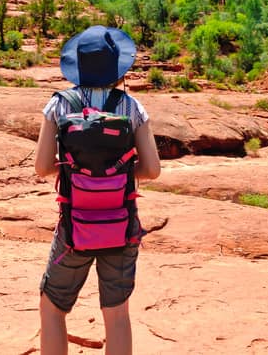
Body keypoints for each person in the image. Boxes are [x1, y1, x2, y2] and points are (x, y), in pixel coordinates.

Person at [34, 25, 161, 355]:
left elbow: (43, 167)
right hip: (121, 224)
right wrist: (116, 174)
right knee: (117, 315)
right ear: (117, 67)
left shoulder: (59, 105)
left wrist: (81, 174)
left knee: (52, 307)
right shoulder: (132, 107)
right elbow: (152, 170)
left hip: (74, 226)